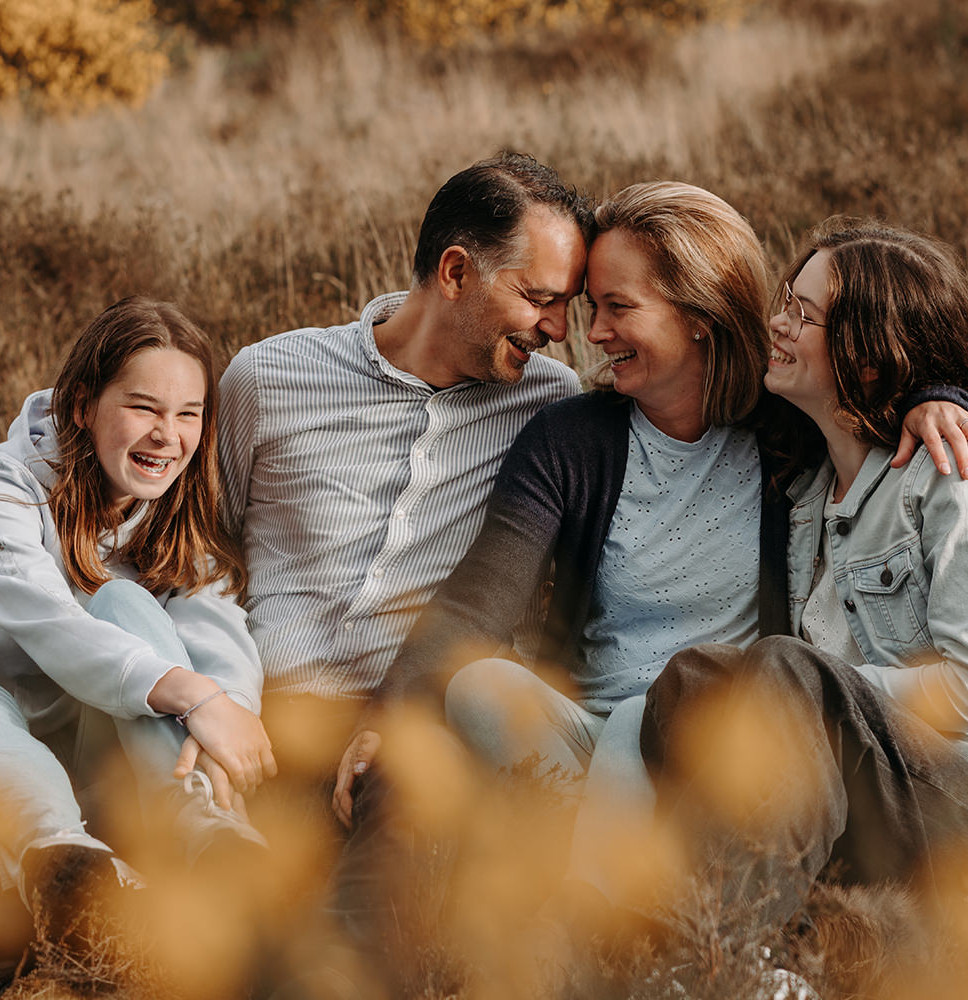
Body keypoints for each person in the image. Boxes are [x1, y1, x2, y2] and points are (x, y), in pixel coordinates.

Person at [346, 185, 968, 930]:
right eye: (590, 308)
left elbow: (881, 365)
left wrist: (944, 393)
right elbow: (479, 600)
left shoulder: (790, 440)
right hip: (596, 742)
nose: (592, 335)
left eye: (618, 307)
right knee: (481, 687)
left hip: (737, 749)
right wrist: (391, 718)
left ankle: (608, 915)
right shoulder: (576, 441)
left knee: (673, 698)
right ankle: (632, 872)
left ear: (699, 317)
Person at [217, 152, 592, 787]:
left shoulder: (549, 405)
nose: (557, 328)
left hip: (428, 722)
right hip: (272, 720)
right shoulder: (266, 378)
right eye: (538, 298)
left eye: (568, 304)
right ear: (455, 273)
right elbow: (202, 552)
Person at [642, 218, 968, 931]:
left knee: (788, 670)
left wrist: (823, 692)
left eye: (803, 313)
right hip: (859, 800)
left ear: (871, 354)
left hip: (947, 797)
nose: (776, 325)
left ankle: (723, 957)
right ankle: (761, 936)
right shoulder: (804, 498)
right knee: (692, 681)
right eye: (784, 302)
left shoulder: (947, 475)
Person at [0, 297, 276, 960]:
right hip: (1, 771)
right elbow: (48, 621)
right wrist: (190, 695)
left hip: (124, 774)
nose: (169, 434)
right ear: (82, 405)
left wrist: (223, 710)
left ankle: (211, 845)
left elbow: (221, 636)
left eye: (188, 414)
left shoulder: (173, 514)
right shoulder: (3, 493)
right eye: (144, 407)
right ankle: (68, 873)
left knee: (127, 609)